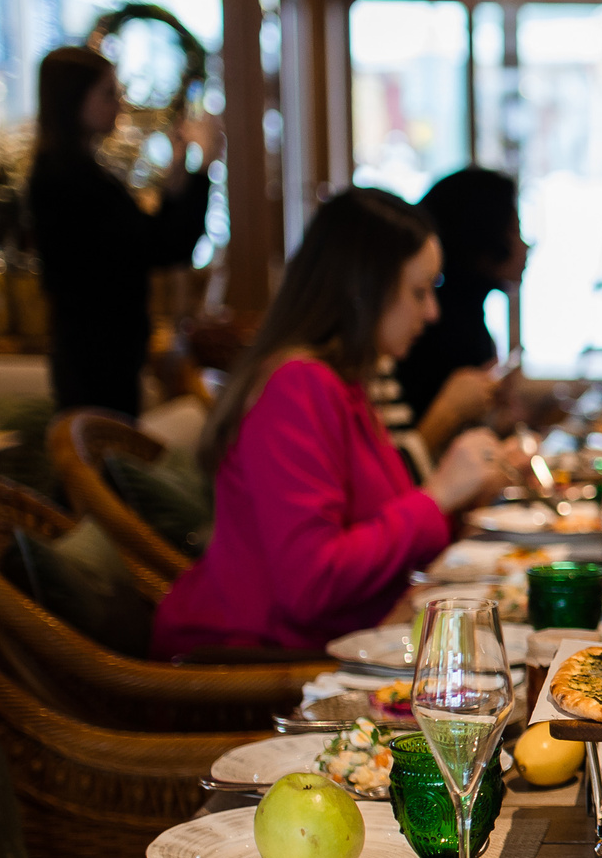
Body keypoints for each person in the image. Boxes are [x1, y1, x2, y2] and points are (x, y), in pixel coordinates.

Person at [152, 189, 511, 659]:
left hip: (332, 642)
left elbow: (382, 537)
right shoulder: (297, 386)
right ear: (365, 289)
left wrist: (469, 494)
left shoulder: (346, 383)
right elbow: (310, 584)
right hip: (246, 662)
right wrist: (439, 493)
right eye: (419, 291)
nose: (431, 312)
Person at [26, 45, 218, 418]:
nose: (120, 102)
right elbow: (162, 247)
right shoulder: (69, 180)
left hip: (98, 352)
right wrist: (204, 165)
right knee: (105, 459)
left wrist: (179, 175)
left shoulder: (71, 172)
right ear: (74, 98)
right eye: (108, 92)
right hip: (97, 356)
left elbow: (148, 241)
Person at [394, 166, 525, 455]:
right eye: (515, 229)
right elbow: (395, 477)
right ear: (484, 235)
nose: (431, 311)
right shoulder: (429, 333)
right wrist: (450, 409)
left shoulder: (469, 316)